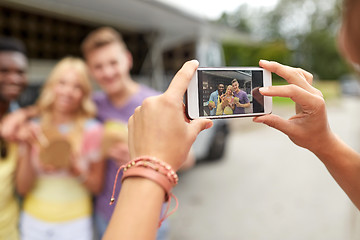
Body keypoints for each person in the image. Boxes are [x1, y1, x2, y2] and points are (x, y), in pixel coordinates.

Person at [102, 0, 360, 239]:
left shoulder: (239, 94)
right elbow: (212, 105)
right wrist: (324, 142)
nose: (233, 86)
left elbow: (245, 104)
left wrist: (148, 164)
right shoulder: (217, 93)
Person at [16, 57, 105, 240]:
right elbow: (22, 188)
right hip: (34, 222)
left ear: (84, 93)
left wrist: (75, 169)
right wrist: (26, 147)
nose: (68, 92)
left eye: (77, 86)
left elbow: (97, 187)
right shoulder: (34, 128)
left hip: (75, 224)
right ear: (52, 86)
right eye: (62, 83)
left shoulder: (93, 131)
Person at [0, 37, 28, 240]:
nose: (14, 78)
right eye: (4, 71)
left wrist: (23, 114)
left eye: (20, 72)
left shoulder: (17, 116)